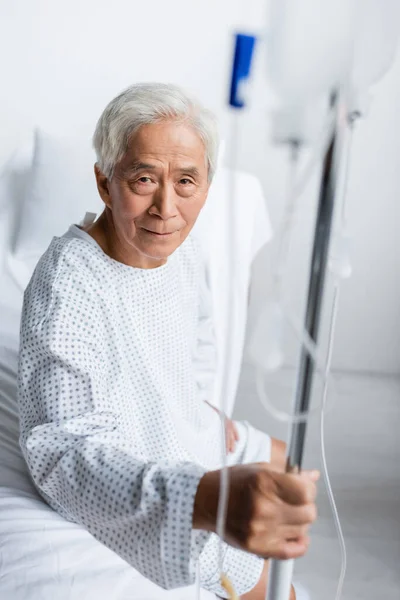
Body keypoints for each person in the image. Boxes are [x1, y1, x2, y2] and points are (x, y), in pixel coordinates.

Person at [18, 83, 318, 599]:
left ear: (206, 183)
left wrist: (201, 406)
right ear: (103, 181)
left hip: (182, 420)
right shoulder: (67, 283)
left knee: (292, 464)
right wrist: (199, 496)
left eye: (185, 182)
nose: (166, 207)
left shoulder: (183, 250)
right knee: (275, 589)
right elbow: (63, 453)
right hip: (134, 469)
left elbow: (198, 343)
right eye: (142, 179)